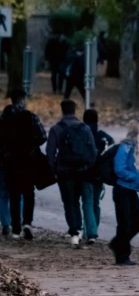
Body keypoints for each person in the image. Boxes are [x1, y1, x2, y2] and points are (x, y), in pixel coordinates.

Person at [47, 99, 97, 247]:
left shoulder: (56, 129)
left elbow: (50, 153)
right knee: (80, 200)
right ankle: (80, 230)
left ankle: (75, 232)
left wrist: (54, 170)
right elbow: (93, 151)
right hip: (82, 170)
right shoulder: (85, 128)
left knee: (69, 202)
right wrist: (87, 166)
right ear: (75, 111)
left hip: (64, 171)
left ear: (62, 111)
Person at [0, 89, 46, 240]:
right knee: (28, 193)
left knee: (13, 194)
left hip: (10, 160)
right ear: (23, 100)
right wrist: (31, 145)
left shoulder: (4, 117)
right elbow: (42, 136)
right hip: (28, 160)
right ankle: (27, 222)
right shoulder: (30, 117)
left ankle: (15, 229)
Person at [109, 119, 139, 266]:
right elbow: (119, 168)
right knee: (124, 223)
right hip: (123, 188)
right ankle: (122, 255)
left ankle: (117, 243)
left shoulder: (134, 147)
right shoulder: (125, 147)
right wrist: (135, 177)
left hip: (130, 189)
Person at [81, 109, 114, 244]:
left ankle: (91, 232)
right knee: (95, 203)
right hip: (99, 175)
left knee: (87, 203)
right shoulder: (103, 136)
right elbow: (112, 147)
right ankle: (93, 230)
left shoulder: (82, 134)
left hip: (85, 173)